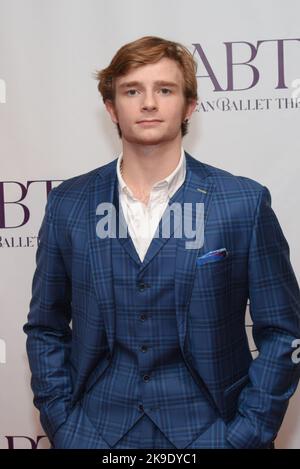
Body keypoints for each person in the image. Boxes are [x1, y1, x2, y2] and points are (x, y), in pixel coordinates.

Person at [23, 35, 300, 449]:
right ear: (111, 108)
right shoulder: (68, 204)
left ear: (189, 106)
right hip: (96, 433)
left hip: (213, 432)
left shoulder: (243, 202)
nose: (148, 103)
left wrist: (247, 432)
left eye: (164, 90)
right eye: (132, 91)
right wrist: (65, 425)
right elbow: (45, 328)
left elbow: (283, 332)